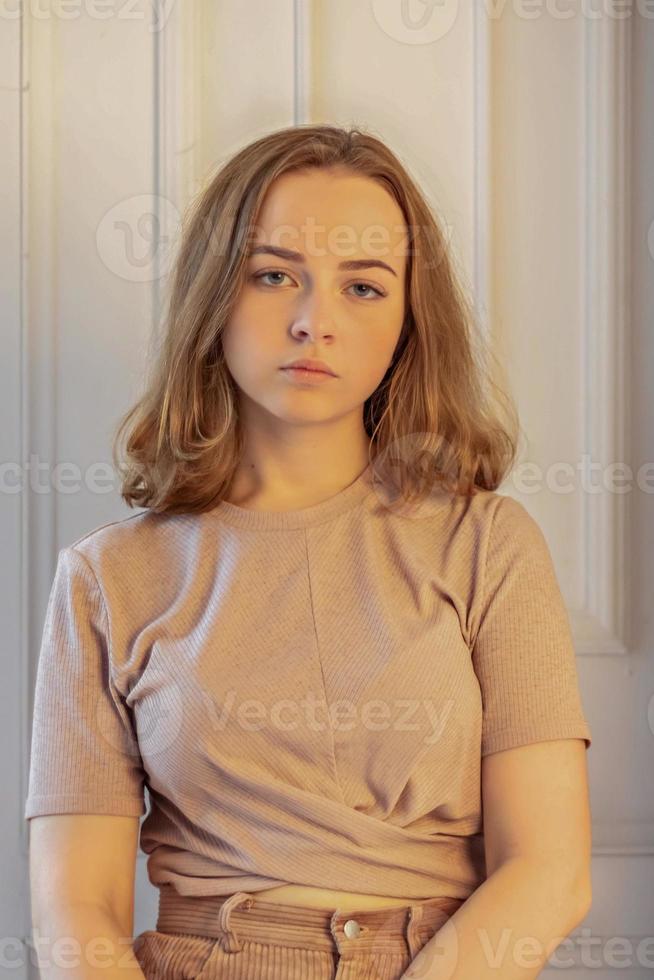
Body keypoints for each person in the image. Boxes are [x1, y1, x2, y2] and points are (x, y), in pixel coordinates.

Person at [25, 124, 593, 980]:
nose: (312, 321)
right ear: (214, 296)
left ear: (407, 321)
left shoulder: (490, 546)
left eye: (363, 287)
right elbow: (78, 914)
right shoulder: (106, 581)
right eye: (274, 274)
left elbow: (549, 872)